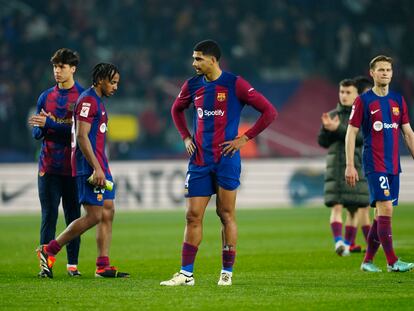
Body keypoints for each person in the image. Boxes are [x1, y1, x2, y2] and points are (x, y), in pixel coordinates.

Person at [160, 39, 277, 286]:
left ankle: (227, 272)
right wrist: (185, 137)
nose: (194, 63)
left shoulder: (235, 84)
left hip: (226, 159)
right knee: (192, 215)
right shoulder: (192, 86)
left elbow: (269, 112)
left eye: (198, 58)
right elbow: (176, 110)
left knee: (225, 214)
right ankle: (186, 273)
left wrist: (245, 138)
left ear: (213, 60)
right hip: (200, 160)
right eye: (193, 58)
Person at [36, 63, 129, 278]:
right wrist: (96, 168)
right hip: (89, 166)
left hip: (100, 164)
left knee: (108, 211)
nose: (115, 87)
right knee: (94, 215)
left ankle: (102, 265)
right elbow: (81, 136)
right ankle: (49, 251)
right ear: (100, 80)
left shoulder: (98, 101)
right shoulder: (88, 100)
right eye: (112, 82)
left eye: (117, 83)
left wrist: (102, 166)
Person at [345, 55, 414, 272]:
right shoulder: (363, 101)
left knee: (380, 215)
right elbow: (351, 133)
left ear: (392, 74)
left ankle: (367, 261)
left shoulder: (398, 101)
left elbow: (408, 133)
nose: (385, 73)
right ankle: (392, 261)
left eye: (388, 70)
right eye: (381, 70)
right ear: (372, 73)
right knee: (385, 209)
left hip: (393, 165)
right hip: (374, 163)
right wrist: (350, 165)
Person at [28, 48, 84, 277]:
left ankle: (73, 266)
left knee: (73, 217)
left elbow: (77, 133)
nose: (57, 71)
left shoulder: (82, 97)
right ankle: (45, 267)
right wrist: (40, 128)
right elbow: (36, 132)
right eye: (55, 67)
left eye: (62, 67)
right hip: (48, 167)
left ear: (73, 69)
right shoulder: (45, 97)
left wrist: (49, 125)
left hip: (72, 168)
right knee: (49, 215)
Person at [318, 78, 372, 256]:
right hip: (335, 166)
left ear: (356, 95)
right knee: (337, 205)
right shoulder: (332, 114)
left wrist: (338, 129)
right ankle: (338, 242)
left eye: (348, 92)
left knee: (354, 208)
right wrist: (327, 129)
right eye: (342, 92)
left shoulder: (363, 114)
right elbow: (322, 142)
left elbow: (362, 139)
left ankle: (347, 244)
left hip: (356, 165)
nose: (344, 96)